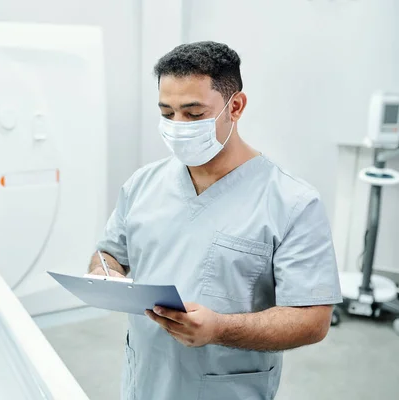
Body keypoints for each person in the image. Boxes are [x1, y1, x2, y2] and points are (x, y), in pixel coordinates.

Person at [88, 41, 342, 400]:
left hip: (224, 387)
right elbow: (109, 253)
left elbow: (313, 321)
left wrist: (219, 329)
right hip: (143, 381)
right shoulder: (143, 184)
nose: (177, 126)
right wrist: (105, 274)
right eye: (167, 112)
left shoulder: (292, 202)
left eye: (193, 114)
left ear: (235, 106)